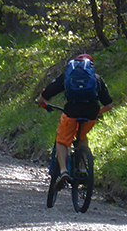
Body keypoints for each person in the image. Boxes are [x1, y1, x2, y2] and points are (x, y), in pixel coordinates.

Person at [37, 54, 113, 190]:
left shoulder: (68, 75)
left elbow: (49, 91)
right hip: (91, 112)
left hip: (72, 111)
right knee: (82, 137)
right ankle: (83, 169)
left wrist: (41, 102)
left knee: (61, 141)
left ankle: (64, 171)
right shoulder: (96, 79)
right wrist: (97, 113)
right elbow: (109, 104)